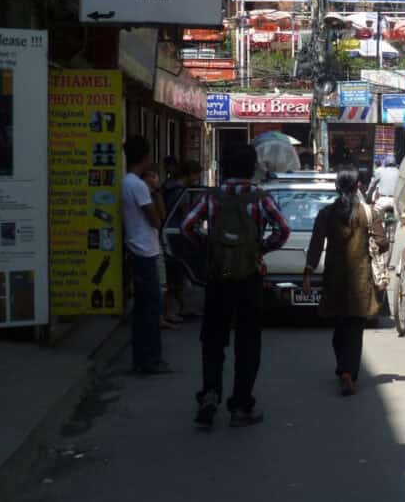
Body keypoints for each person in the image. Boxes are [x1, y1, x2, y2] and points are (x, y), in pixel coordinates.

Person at [181, 144, 290, 428]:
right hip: (249, 278)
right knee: (248, 343)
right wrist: (260, 250)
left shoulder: (211, 197)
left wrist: (210, 248)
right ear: (251, 167)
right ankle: (241, 406)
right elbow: (283, 230)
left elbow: (187, 226)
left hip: (218, 277)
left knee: (213, 341)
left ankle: (210, 394)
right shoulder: (260, 198)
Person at [302, 167, 388, 396]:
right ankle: (350, 372)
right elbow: (382, 243)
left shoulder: (326, 214)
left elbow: (316, 245)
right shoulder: (369, 213)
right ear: (357, 186)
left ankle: (343, 370)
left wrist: (308, 274)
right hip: (360, 279)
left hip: (334, 279)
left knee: (339, 327)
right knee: (355, 329)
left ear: (336, 187)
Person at [121, 136, 170, 375]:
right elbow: (157, 219)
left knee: (143, 308)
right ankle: (150, 358)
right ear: (145, 157)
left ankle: (142, 358)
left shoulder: (128, 182)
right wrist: (155, 190)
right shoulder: (137, 185)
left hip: (138, 248)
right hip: (144, 250)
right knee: (152, 307)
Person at [161, 159, 203, 325]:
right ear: (190, 174)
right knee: (177, 273)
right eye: (197, 174)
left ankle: (182, 306)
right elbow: (187, 217)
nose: (198, 178)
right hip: (176, 234)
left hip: (166, 231)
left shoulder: (167, 186)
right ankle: (170, 311)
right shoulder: (183, 193)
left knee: (176, 272)